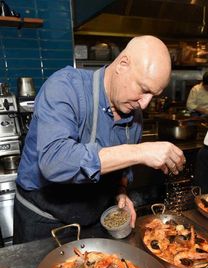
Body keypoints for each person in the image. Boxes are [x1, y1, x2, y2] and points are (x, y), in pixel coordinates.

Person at [14, 35, 186, 244]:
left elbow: (122, 169)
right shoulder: (65, 87)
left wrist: (120, 192)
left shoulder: (134, 112)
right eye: (143, 90)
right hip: (43, 222)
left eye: (154, 96)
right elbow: (54, 161)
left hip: (94, 219)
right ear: (123, 64)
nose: (145, 104)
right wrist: (140, 152)